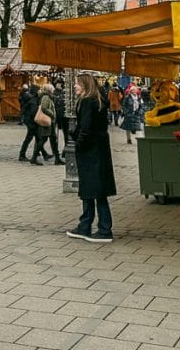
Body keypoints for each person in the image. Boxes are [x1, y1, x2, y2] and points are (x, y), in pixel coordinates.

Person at [66, 74, 116, 243]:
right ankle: (90, 224)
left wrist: (77, 143)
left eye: (77, 84)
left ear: (85, 86)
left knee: (90, 189)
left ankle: (101, 228)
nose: (74, 87)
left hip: (90, 152)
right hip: (99, 150)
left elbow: (85, 129)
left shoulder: (87, 102)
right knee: (97, 190)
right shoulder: (98, 101)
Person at [17, 85, 49, 162]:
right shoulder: (33, 101)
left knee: (37, 138)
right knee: (31, 138)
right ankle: (22, 155)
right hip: (31, 122)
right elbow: (33, 112)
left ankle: (44, 154)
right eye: (39, 90)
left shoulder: (33, 99)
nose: (40, 91)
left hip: (30, 121)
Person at [31, 84, 59, 165]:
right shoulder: (46, 97)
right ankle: (34, 157)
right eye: (52, 88)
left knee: (53, 140)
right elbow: (44, 108)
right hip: (48, 121)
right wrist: (52, 114)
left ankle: (57, 158)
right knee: (43, 139)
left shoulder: (47, 96)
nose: (53, 90)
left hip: (51, 122)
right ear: (49, 90)